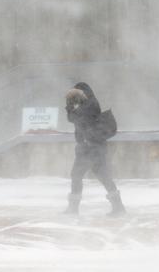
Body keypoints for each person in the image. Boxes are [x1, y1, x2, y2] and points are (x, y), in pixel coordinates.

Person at [65, 82, 126, 216]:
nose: (76, 98)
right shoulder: (88, 104)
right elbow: (75, 119)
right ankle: (119, 207)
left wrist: (69, 105)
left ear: (83, 93)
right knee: (104, 176)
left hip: (90, 148)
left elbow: (73, 118)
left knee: (76, 175)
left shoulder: (90, 105)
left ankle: (73, 208)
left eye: (77, 94)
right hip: (92, 147)